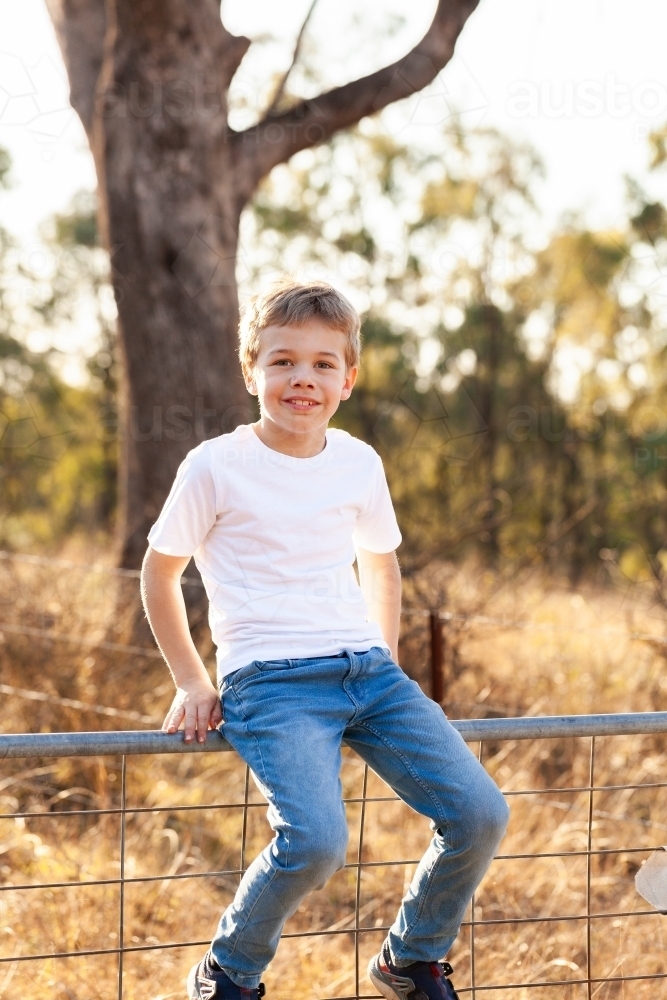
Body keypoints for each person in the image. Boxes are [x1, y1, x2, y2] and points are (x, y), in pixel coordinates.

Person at [140, 277, 509, 1000]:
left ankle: (412, 957)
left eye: (320, 363)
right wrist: (191, 680)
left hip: (369, 673)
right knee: (314, 843)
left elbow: (381, 564)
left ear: (348, 378)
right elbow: (158, 575)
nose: (301, 378)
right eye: (281, 362)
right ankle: (228, 972)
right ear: (251, 371)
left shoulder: (358, 461)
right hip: (269, 682)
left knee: (479, 813)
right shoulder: (215, 465)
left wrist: (388, 665)